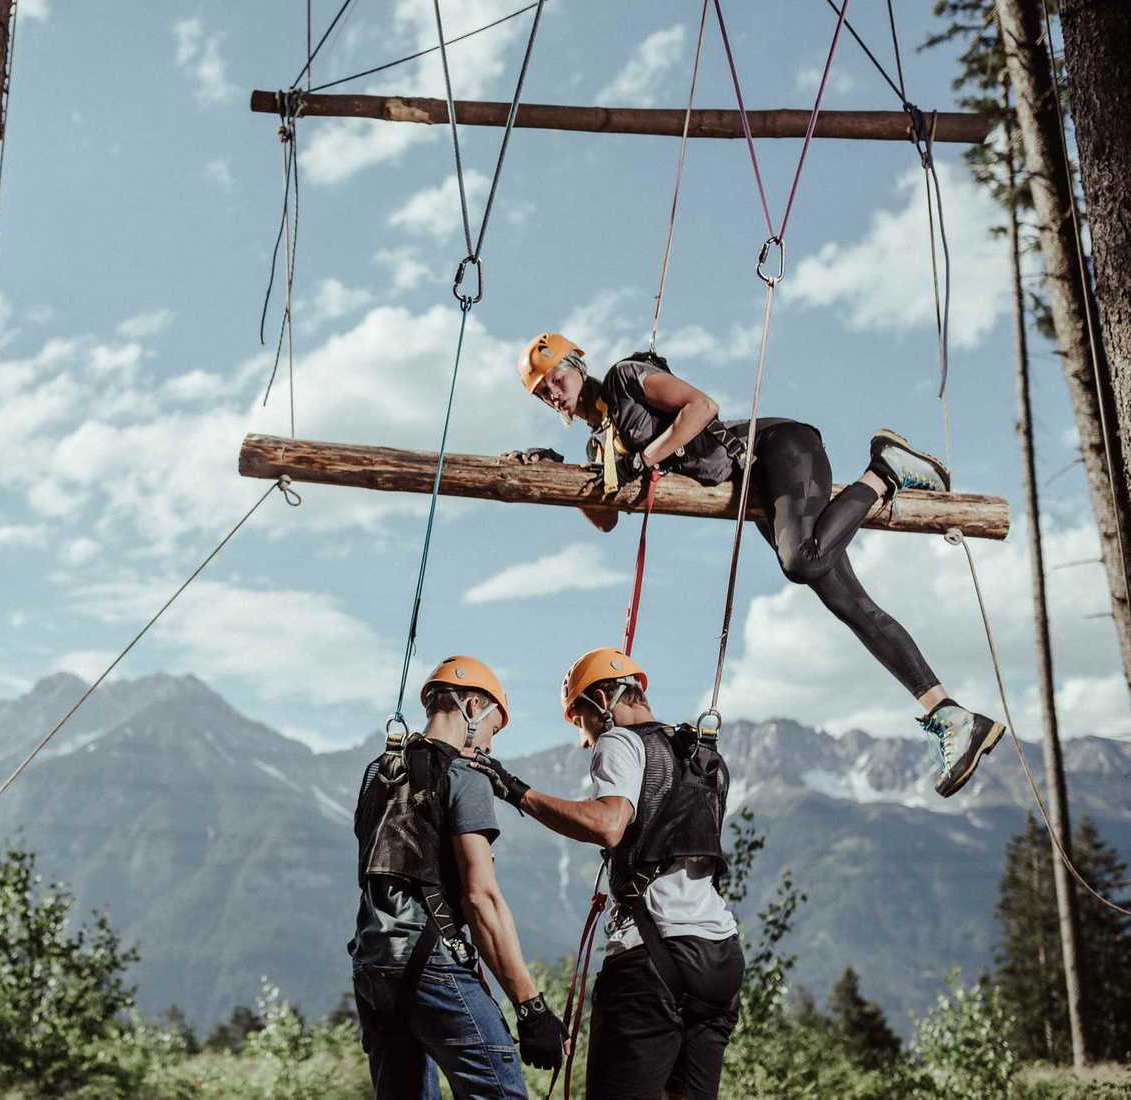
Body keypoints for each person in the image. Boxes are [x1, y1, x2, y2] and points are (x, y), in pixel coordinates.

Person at [505, 333, 1005, 798]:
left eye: (556, 378)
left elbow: (701, 406)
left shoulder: (626, 378)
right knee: (850, 605)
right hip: (756, 487)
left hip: (778, 449)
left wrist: (649, 457)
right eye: (541, 392)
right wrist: (559, 472)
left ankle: (884, 469)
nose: (553, 392)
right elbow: (608, 520)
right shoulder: (601, 444)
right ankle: (950, 714)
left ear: (577, 364)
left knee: (801, 562)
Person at [469, 647, 741, 1100]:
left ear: (599, 701)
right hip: (719, 957)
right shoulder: (701, 755)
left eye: (580, 721)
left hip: (650, 958)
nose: (585, 739)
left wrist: (516, 791)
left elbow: (608, 825)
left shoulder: (620, 742)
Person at [350, 655, 566, 1099]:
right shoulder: (464, 774)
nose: (489, 745)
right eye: (493, 727)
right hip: (433, 963)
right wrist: (532, 1008)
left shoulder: (377, 773)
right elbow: (481, 899)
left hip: (374, 966)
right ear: (472, 706)